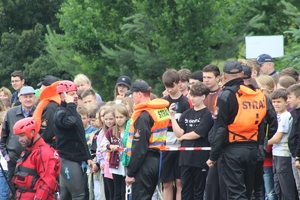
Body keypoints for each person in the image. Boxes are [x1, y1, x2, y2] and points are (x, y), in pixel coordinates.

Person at [206, 60, 278, 200]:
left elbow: (220, 129)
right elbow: (273, 122)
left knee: (236, 193)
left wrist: (213, 156)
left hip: (232, 149)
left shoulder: (226, 95)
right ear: (242, 74)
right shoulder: (258, 94)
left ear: (223, 76)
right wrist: (262, 141)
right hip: (253, 149)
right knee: (250, 192)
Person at [124, 80, 170, 200]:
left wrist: (131, 173)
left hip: (145, 162)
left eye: (132, 94)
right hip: (157, 159)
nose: (131, 97)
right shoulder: (158, 110)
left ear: (139, 94)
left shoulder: (144, 115)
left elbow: (139, 147)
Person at [54, 80, 96, 200]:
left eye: (76, 93)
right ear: (63, 96)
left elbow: (80, 137)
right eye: (71, 94)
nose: (76, 96)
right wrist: (71, 104)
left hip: (74, 159)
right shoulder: (60, 112)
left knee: (66, 196)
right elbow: (70, 122)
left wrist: (87, 157)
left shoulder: (72, 111)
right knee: (79, 195)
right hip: (67, 159)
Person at [170, 82, 213, 199]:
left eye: (195, 96)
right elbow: (179, 132)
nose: (192, 98)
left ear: (203, 97)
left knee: (198, 191)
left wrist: (183, 137)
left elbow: (198, 133)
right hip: (185, 158)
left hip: (200, 158)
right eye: (191, 95)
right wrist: (172, 117)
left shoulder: (207, 114)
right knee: (185, 190)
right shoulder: (186, 113)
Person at [161, 69, 192, 200]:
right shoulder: (162, 102)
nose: (169, 90)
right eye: (166, 87)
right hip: (166, 147)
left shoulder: (186, 102)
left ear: (179, 83)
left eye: (172, 86)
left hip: (181, 147)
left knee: (180, 182)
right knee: (167, 183)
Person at [12, 117, 60, 200]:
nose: (20, 140)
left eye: (22, 136)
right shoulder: (28, 151)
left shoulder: (44, 152)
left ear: (32, 132)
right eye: (19, 136)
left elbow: (48, 183)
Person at [0, 86, 36, 194]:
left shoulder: (39, 112)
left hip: (33, 159)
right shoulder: (11, 113)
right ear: (19, 98)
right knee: (13, 190)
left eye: (30, 96)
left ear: (34, 98)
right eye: (25, 97)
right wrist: (6, 155)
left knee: (30, 189)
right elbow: (4, 136)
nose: (28, 99)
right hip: (13, 159)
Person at [267, 88, 297, 199]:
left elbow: (278, 138)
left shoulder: (285, 116)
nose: (276, 104)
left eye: (279, 101)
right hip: (276, 154)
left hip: (284, 155)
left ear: (286, 102)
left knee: (286, 188)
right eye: (274, 101)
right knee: (278, 188)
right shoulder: (276, 115)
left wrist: (260, 144)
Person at [33, 81, 60, 147]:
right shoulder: (53, 106)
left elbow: (48, 131)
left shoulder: (52, 106)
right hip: (53, 144)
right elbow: (48, 131)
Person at [287, 84, 300, 197]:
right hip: (294, 154)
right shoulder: (295, 113)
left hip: (297, 156)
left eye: (290, 97)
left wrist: (298, 157)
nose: (288, 100)